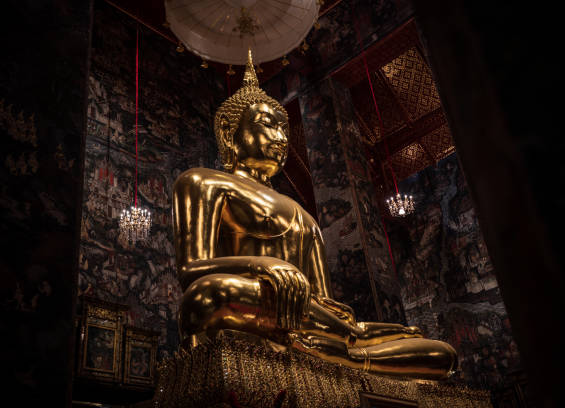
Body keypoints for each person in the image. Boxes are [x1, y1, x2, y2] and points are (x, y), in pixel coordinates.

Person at [172, 50, 457, 379]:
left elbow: (325, 303)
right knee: (205, 298)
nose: (281, 138)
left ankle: (346, 355)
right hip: (247, 304)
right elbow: (190, 269)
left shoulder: (302, 216)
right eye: (268, 125)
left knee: (440, 353)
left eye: (284, 130)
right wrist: (260, 265)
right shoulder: (203, 181)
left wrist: (349, 329)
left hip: (312, 321)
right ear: (229, 131)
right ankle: (344, 354)